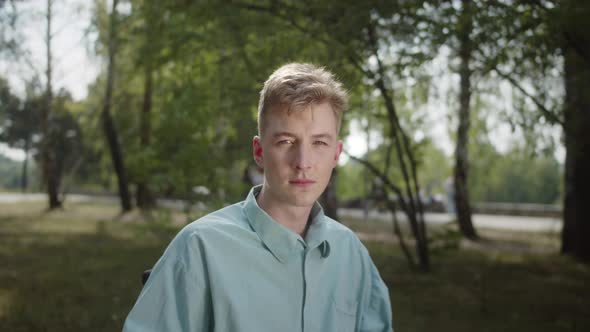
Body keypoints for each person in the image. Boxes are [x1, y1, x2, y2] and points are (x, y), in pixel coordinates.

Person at [122, 63, 393, 332]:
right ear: (259, 151)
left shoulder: (351, 254)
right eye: (286, 141)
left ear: (336, 153)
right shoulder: (199, 250)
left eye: (319, 143)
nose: (303, 162)